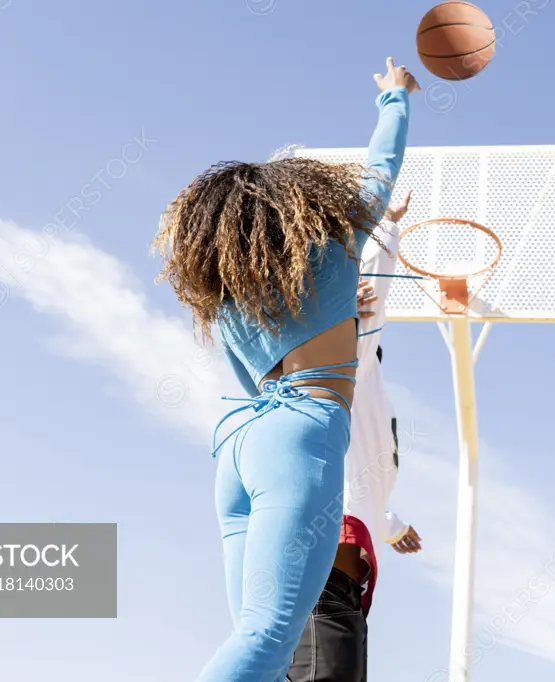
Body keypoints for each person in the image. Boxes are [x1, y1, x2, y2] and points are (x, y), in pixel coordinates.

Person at [153, 58, 420, 682]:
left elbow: (252, 384)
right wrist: (395, 97)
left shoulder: (225, 297)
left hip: (241, 444)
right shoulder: (337, 240)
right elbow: (383, 166)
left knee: (259, 646)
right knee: (268, 638)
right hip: (300, 431)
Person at [287, 191, 424, 682]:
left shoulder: (359, 393)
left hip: (337, 590)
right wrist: (387, 225)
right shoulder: (347, 364)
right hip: (324, 587)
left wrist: (389, 524)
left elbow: (357, 474)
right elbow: (372, 293)